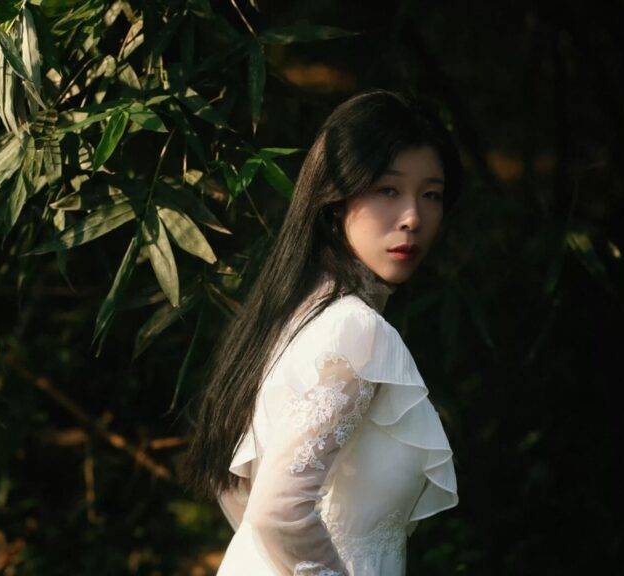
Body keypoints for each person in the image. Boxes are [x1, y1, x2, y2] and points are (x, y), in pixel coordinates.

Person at [180, 89, 464, 575]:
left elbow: (238, 491)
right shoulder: (356, 331)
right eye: (388, 190)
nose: (413, 218)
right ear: (335, 199)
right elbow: (276, 513)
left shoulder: (299, 310)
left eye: (431, 194)